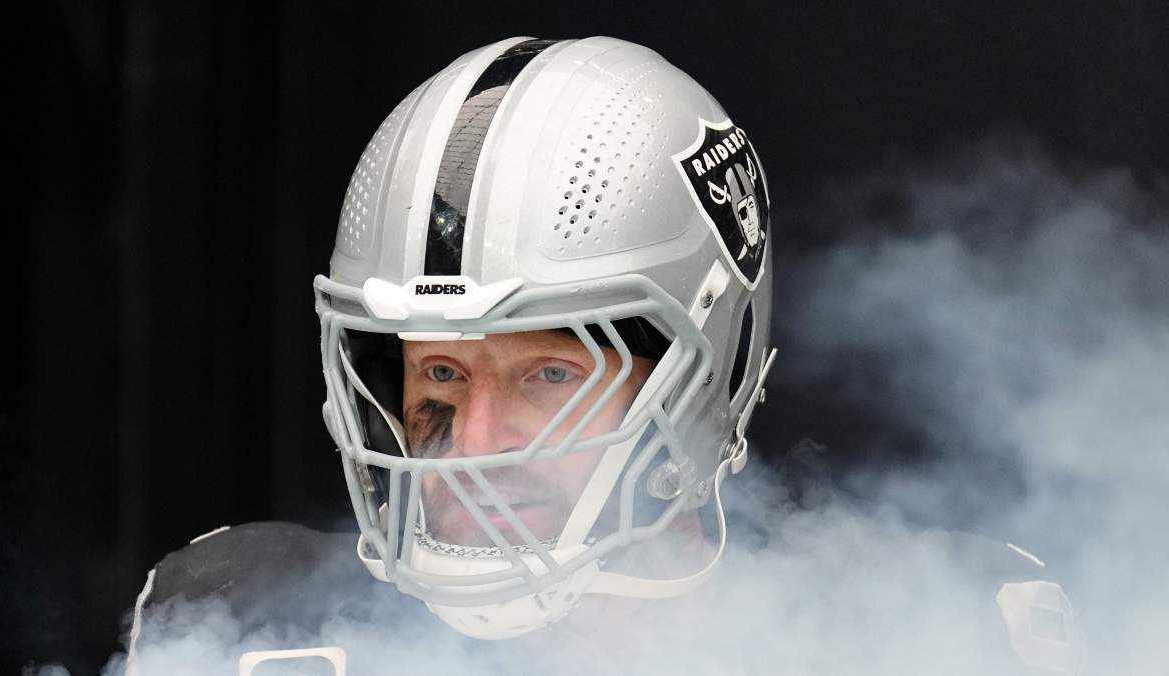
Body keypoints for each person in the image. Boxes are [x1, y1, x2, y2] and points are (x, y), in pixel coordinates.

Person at [120, 37, 1085, 676]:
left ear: (704, 377)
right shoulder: (247, 629)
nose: (474, 448)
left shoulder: (936, 631)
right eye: (441, 373)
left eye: (550, 375)